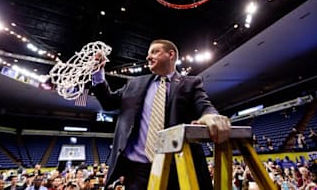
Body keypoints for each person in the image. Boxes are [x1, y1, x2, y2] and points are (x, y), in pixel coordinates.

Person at [91, 39, 231, 189]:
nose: (148, 57)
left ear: (171, 54)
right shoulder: (134, 83)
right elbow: (108, 103)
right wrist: (98, 74)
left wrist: (209, 116)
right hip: (136, 171)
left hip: (176, 169)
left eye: (154, 51)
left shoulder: (191, 83)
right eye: (148, 53)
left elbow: (204, 106)